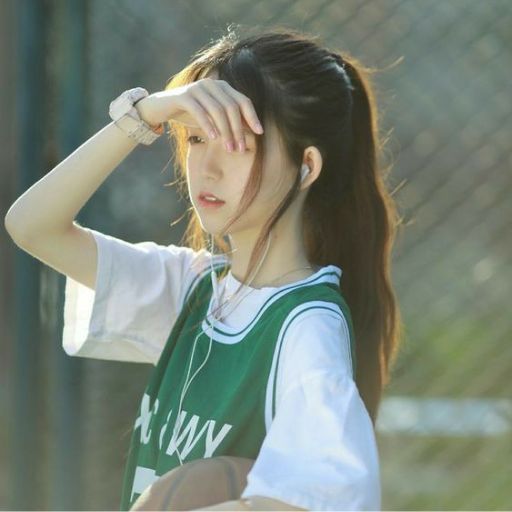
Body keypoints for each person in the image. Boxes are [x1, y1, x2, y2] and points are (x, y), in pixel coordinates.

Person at [5, 25, 403, 511]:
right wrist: (149, 112)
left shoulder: (305, 327)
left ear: (306, 168)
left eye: (235, 143)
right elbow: (32, 226)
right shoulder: (193, 289)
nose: (207, 168)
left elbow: (325, 501)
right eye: (195, 137)